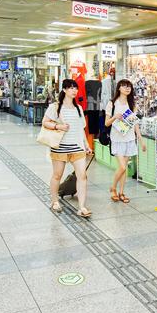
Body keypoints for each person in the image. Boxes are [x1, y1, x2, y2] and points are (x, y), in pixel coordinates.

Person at [42, 79, 92, 217]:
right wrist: (58, 126)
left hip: (77, 147)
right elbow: (45, 122)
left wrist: (86, 145)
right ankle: (54, 201)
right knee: (57, 175)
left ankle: (82, 207)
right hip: (60, 147)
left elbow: (81, 129)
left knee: (82, 176)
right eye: (71, 88)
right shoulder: (55, 107)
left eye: (75, 88)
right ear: (64, 90)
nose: (74, 91)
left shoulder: (78, 108)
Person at [105, 79, 146, 203]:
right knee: (122, 167)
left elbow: (135, 125)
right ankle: (113, 188)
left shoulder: (131, 104)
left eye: (129, 86)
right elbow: (106, 123)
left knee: (125, 168)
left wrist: (141, 140)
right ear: (119, 88)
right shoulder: (112, 103)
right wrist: (114, 117)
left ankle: (121, 192)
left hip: (129, 139)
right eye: (124, 86)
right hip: (117, 139)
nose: (127, 88)